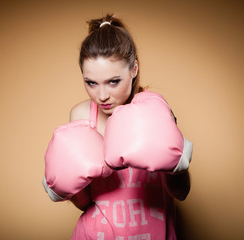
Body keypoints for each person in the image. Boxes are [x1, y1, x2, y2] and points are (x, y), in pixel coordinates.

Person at [43, 14, 192, 240]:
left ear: (133, 70)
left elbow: (181, 193)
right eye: (91, 82)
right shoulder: (82, 114)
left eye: (113, 81)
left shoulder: (154, 109)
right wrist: (65, 184)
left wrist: (175, 163)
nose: (102, 96)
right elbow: (85, 204)